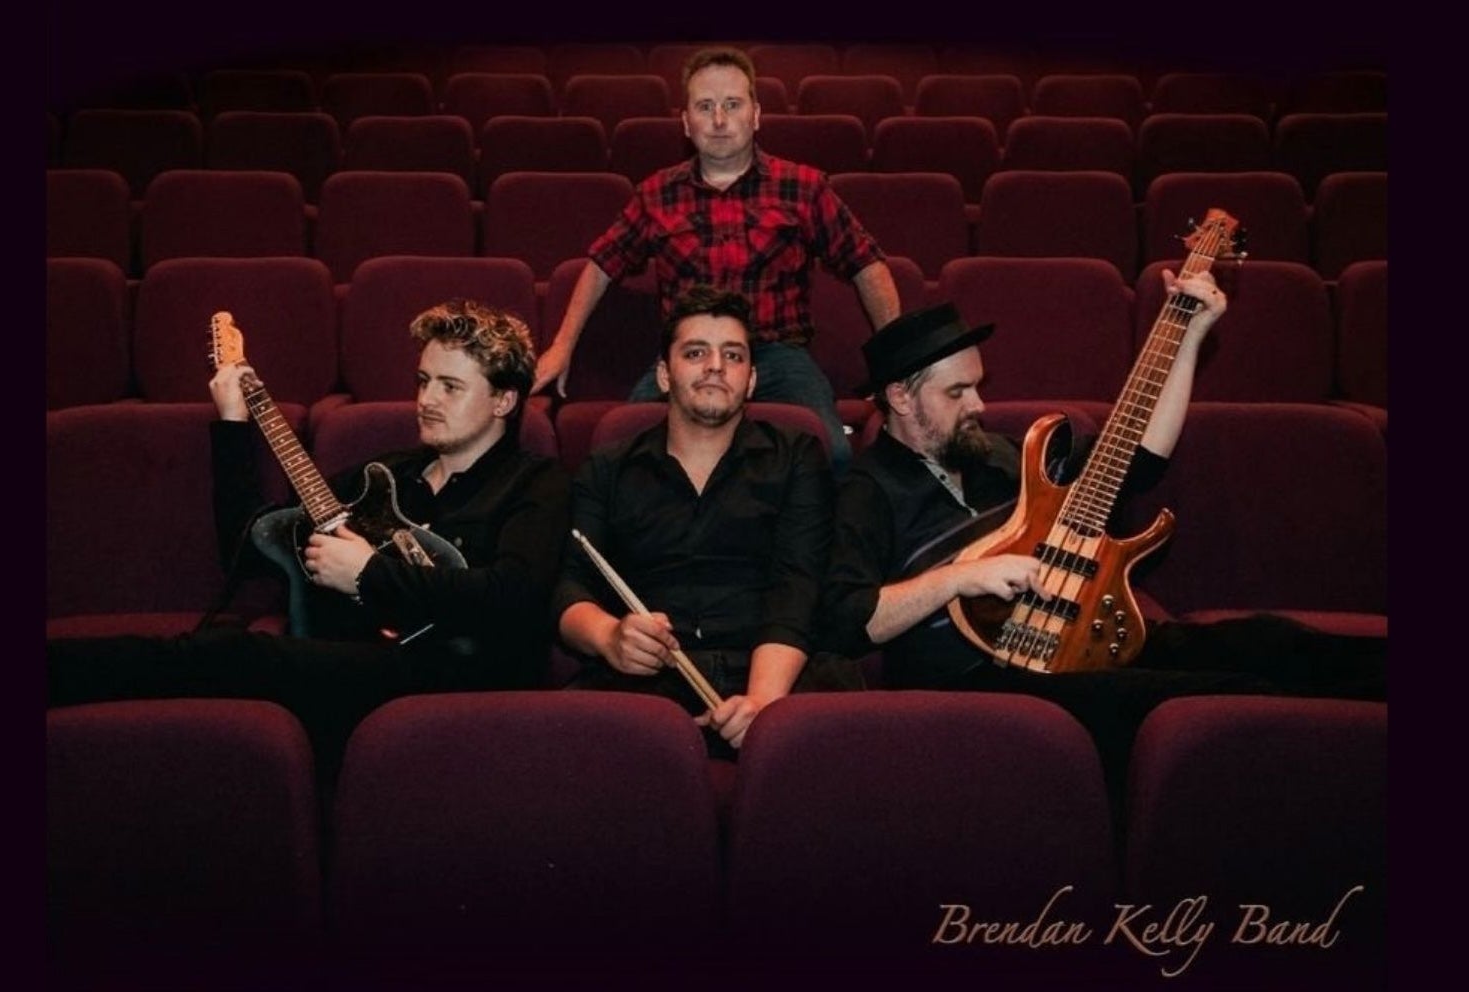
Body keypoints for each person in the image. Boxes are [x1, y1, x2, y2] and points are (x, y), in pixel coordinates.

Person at [820, 285, 1387, 802]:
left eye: (977, 386)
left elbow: (1133, 461)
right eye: (958, 391)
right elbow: (849, 620)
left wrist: (1187, 337)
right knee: (1233, 697)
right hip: (985, 675)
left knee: (1272, 642)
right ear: (899, 396)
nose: (978, 405)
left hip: (1081, 632)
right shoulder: (866, 492)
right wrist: (958, 577)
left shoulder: (994, 454)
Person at [48, 299, 572, 787]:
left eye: (450, 387)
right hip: (352, 656)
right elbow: (249, 543)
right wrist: (233, 422)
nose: (426, 400)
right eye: (422, 380)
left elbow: (514, 595)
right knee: (223, 661)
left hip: (454, 672)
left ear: (504, 399)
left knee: (233, 654)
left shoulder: (535, 482)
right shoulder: (384, 475)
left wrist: (369, 574)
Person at [531, 45, 900, 474]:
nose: (720, 120)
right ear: (687, 122)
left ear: (756, 114)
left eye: (732, 105)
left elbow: (867, 264)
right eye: (706, 107)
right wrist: (561, 347)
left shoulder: (804, 187)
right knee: (622, 447)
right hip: (686, 353)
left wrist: (896, 358)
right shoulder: (656, 193)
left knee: (832, 452)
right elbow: (600, 265)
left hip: (777, 356)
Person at [553, 285, 847, 758]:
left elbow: (798, 587)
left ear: (751, 380)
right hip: (648, 678)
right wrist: (610, 637)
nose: (716, 365)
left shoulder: (796, 456)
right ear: (664, 376)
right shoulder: (608, 466)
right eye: (696, 352)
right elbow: (570, 587)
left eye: (733, 355)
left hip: (771, 668)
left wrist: (762, 707)